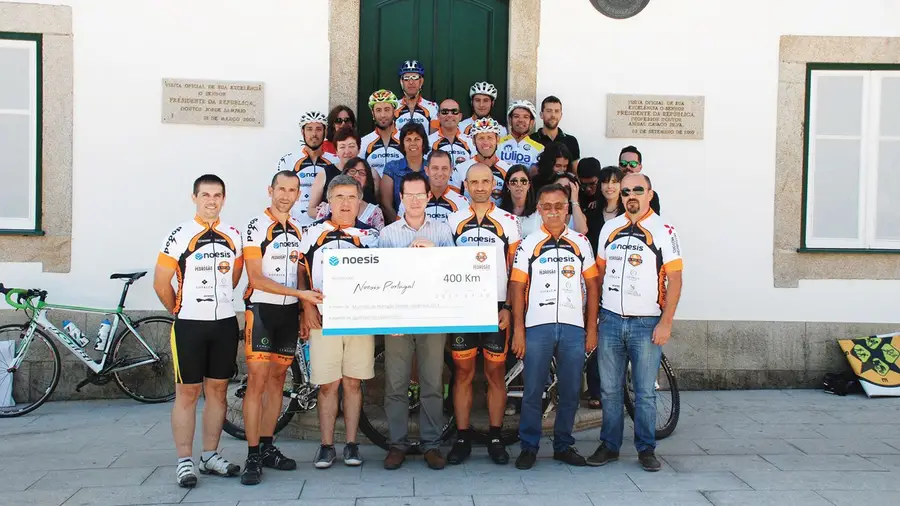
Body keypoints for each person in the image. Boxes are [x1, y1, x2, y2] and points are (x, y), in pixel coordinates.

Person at [587, 172, 683, 472]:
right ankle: (610, 445)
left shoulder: (665, 230)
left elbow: (676, 279)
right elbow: (599, 276)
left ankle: (646, 448)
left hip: (646, 322)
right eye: (626, 190)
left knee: (644, 392)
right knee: (609, 390)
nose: (631, 195)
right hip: (611, 320)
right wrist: (597, 317)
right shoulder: (609, 229)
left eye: (637, 190)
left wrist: (666, 322)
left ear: (649, 194)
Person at [153, 174, 244, 488]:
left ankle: (210, 455)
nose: (211, 201)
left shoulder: (234, 234)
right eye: (205, 195)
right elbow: (160, 282)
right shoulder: (180, 234)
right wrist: (178, 310)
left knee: (218, 391)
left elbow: (233, 279)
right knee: (188, 393)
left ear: (224, 198)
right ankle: (184, 461)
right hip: (189, 324)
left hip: (224, 324)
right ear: (194, 197)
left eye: (217, 195)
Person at [240, 171, 325, 485]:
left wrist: (304, 306)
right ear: (270, 190)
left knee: (278, 381)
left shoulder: (299, 227)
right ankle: (251, 455)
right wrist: (300, 295)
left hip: (289, 315)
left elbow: (301, 272)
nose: (286, 195)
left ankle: (267, 446)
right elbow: (256, 277)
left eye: (292, 190)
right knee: (257, 383)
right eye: (281, 189)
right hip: (261, 311)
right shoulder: (256, 226)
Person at [509, 183, 600, 470]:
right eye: (546, 206)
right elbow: (517, 286)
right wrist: (519, 331)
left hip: (573, 327)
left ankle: (563, 445)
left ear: (567, 209)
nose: (553, 212)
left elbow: (593, 285)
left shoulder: (581, 241)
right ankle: (529, 447)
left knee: (571, 390)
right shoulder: (529, 243)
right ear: (539, 209)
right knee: (534, 390)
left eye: (559, 206)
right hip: (537, 326)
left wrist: (592, 328)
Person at [298, 175, 379, 469]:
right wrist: (306, 308)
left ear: (360, 201)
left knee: (353, 383)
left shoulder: (372, 236)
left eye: (351, 197)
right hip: (324, 319)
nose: (345, 203)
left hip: (359, 321)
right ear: (328, 202)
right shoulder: (312, 233)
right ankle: (326, 445)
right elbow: (301, 272)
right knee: (328, 385)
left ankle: (352, 444)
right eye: (339, 197)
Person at [379, 172, 455, 471]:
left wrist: (435, 253)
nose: (414, 200)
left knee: (432, 382)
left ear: (428, 196)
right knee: (396, 383)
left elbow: (454, 273)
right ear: (401, 197)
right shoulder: (388, 234)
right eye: (408, 195)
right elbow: (379, 278)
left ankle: (432, 444)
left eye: (419, 195)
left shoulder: (441, 231)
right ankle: (397, 444)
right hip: (398, 318)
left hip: (433, 317)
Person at [446, 163, 521, 466]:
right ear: (465, 185)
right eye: (473, 182)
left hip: (496, 307)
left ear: (494, 184)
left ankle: (494, 436)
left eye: (485, 182)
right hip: (463, 307)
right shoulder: (454, 220)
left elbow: (516, 270)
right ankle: (462, 437)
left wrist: (510, 309)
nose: (479, 187)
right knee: (462, 373)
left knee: (494, 374)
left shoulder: (510, 221)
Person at [582, 163, 625, 409]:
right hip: (594, 278)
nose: (610, 186)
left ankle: (617, 388)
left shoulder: (627, 214)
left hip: (618, 279)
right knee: (594, 334)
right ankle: (596, 389)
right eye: (605, 181)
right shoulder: (593, 209)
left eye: (614, 182)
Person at [277, 111, 340, 226]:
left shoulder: (335, 160)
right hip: (296, 223)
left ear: (325, 132)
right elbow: (280, 194)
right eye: (309, 129)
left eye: (319, 129)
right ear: (303, 132)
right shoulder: (288, 160)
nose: (314, 134)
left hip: (326, 224)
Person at [308, 129, 379, 219]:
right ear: (336, 151)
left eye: (351, 146)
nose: (347, 151)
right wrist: (323, 211)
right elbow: (311, 210)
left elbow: (379, 203)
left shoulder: (371, 173)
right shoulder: (325, 173)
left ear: (359, 149)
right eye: (342, 147)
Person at [397, 150, 469, 223]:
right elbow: (399, 230)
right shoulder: (408, 199)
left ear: (451, 171)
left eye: (444, 168)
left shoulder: (462, 202)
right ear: (427, 170)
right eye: (435, 168)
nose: (440, 173)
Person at [452, 117, 511, 206]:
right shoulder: (460, 169)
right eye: (481, 138)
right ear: (473, 142)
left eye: (490, 138)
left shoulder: (508, 169)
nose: (486, 142)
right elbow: (454, 203)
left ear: (497, 140)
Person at [314, 157, 385, 230]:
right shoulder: (327, 209)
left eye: (362, 173)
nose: (356, 175)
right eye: (352, 171)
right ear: (344, 174)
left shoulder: (375, 213)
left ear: (367, 180)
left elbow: (378, 239)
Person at [380, 122, 430, 223]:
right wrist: (401, 225)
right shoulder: (392, 167)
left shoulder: (431, 168)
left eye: (417, 139)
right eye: (408, 139)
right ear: (402, 144)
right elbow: (386, 204)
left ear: (423, 143)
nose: (413, 143)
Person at [530, 96, 581, 171]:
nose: (553, 115)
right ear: (541, 114)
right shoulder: (531, 140)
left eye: (556, 111)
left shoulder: (571, 141)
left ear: (561, 115)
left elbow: (575, 172)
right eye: (549, 111)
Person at [361, 89, 404, 177]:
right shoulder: (363, 142)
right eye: (378, 110)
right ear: (373, 114)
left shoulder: (405, 139)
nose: (383, 115)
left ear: (395, 112)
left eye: (387, 109)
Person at [428, 98, 475, 170]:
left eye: (454, 111)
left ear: (460, 116)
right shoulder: (428, 142)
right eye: (444, 112)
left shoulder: (471, 142)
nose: (449, 115)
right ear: (438, 116)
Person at [497, 100, 544, 169]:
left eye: (526, 117)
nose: (521, 120)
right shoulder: (497, 144)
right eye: (516, 116)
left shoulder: (539, 149)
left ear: (532, 122)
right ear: (510, 120)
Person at [395, 60, 438, 133]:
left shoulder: (432, 107)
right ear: (401, 82)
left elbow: (433, 137)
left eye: (415, 77)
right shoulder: (394, 107)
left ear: (421, 81)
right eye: (406, 78)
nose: (411, 82)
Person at [619, 145, 661, 214]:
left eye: (633, 164)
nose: (628, 167)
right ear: (619, 165)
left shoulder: (649, 196)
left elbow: (653, 222)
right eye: (623, 163)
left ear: (640, 167)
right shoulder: (610, 192)